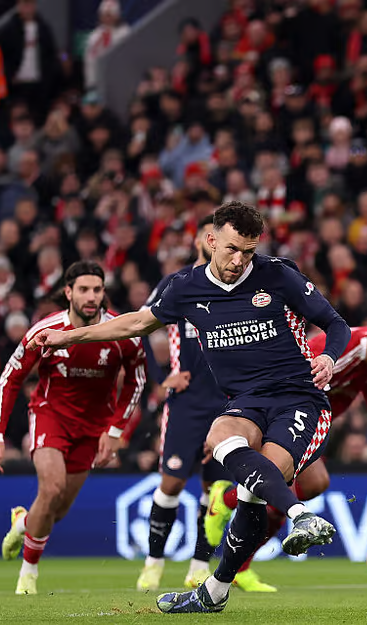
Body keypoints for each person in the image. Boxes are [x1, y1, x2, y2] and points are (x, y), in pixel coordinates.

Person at [27, 201, 350, 614]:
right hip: (245, 402)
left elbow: (335, 323)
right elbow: (135, 323)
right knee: (223, 441)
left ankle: (223, 582)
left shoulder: (279, 276)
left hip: (299, 397)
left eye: (248, 251)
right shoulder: (185, 287)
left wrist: (329, 357)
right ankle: (291, 522)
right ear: (210, 240)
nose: (239, 260)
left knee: (259, 485)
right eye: (232, 248)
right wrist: (71, 337)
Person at [204, 304, 367, 588]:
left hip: (308, 424)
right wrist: (238, 418)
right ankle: (227, 506)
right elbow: (284, 374)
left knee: (313, 486)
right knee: (281, 489)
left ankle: (237, 546)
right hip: (283, 416)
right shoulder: (343, 349)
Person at [0, 261, 147, 595]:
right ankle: (28, 575)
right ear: (68, 292)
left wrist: (116, 431)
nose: (92, 297)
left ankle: (23, 522)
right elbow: (11, 377)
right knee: (52, 488)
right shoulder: (44, 331)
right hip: (50, 416)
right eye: (84, 290)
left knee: (55, 511)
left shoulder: (122, 332)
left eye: (98, 290)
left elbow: (137, 379)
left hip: (93, 427)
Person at [135, 218, 237, 592]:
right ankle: (153, 561)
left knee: (215, 492)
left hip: (227, 403)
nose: (217, 242)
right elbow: (139, 331)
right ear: (199, 241)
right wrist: (161, 378)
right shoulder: (177, 283)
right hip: (187, 403)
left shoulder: (235, 285)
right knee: (172, 482)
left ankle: (198, 566)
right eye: (211, 236)